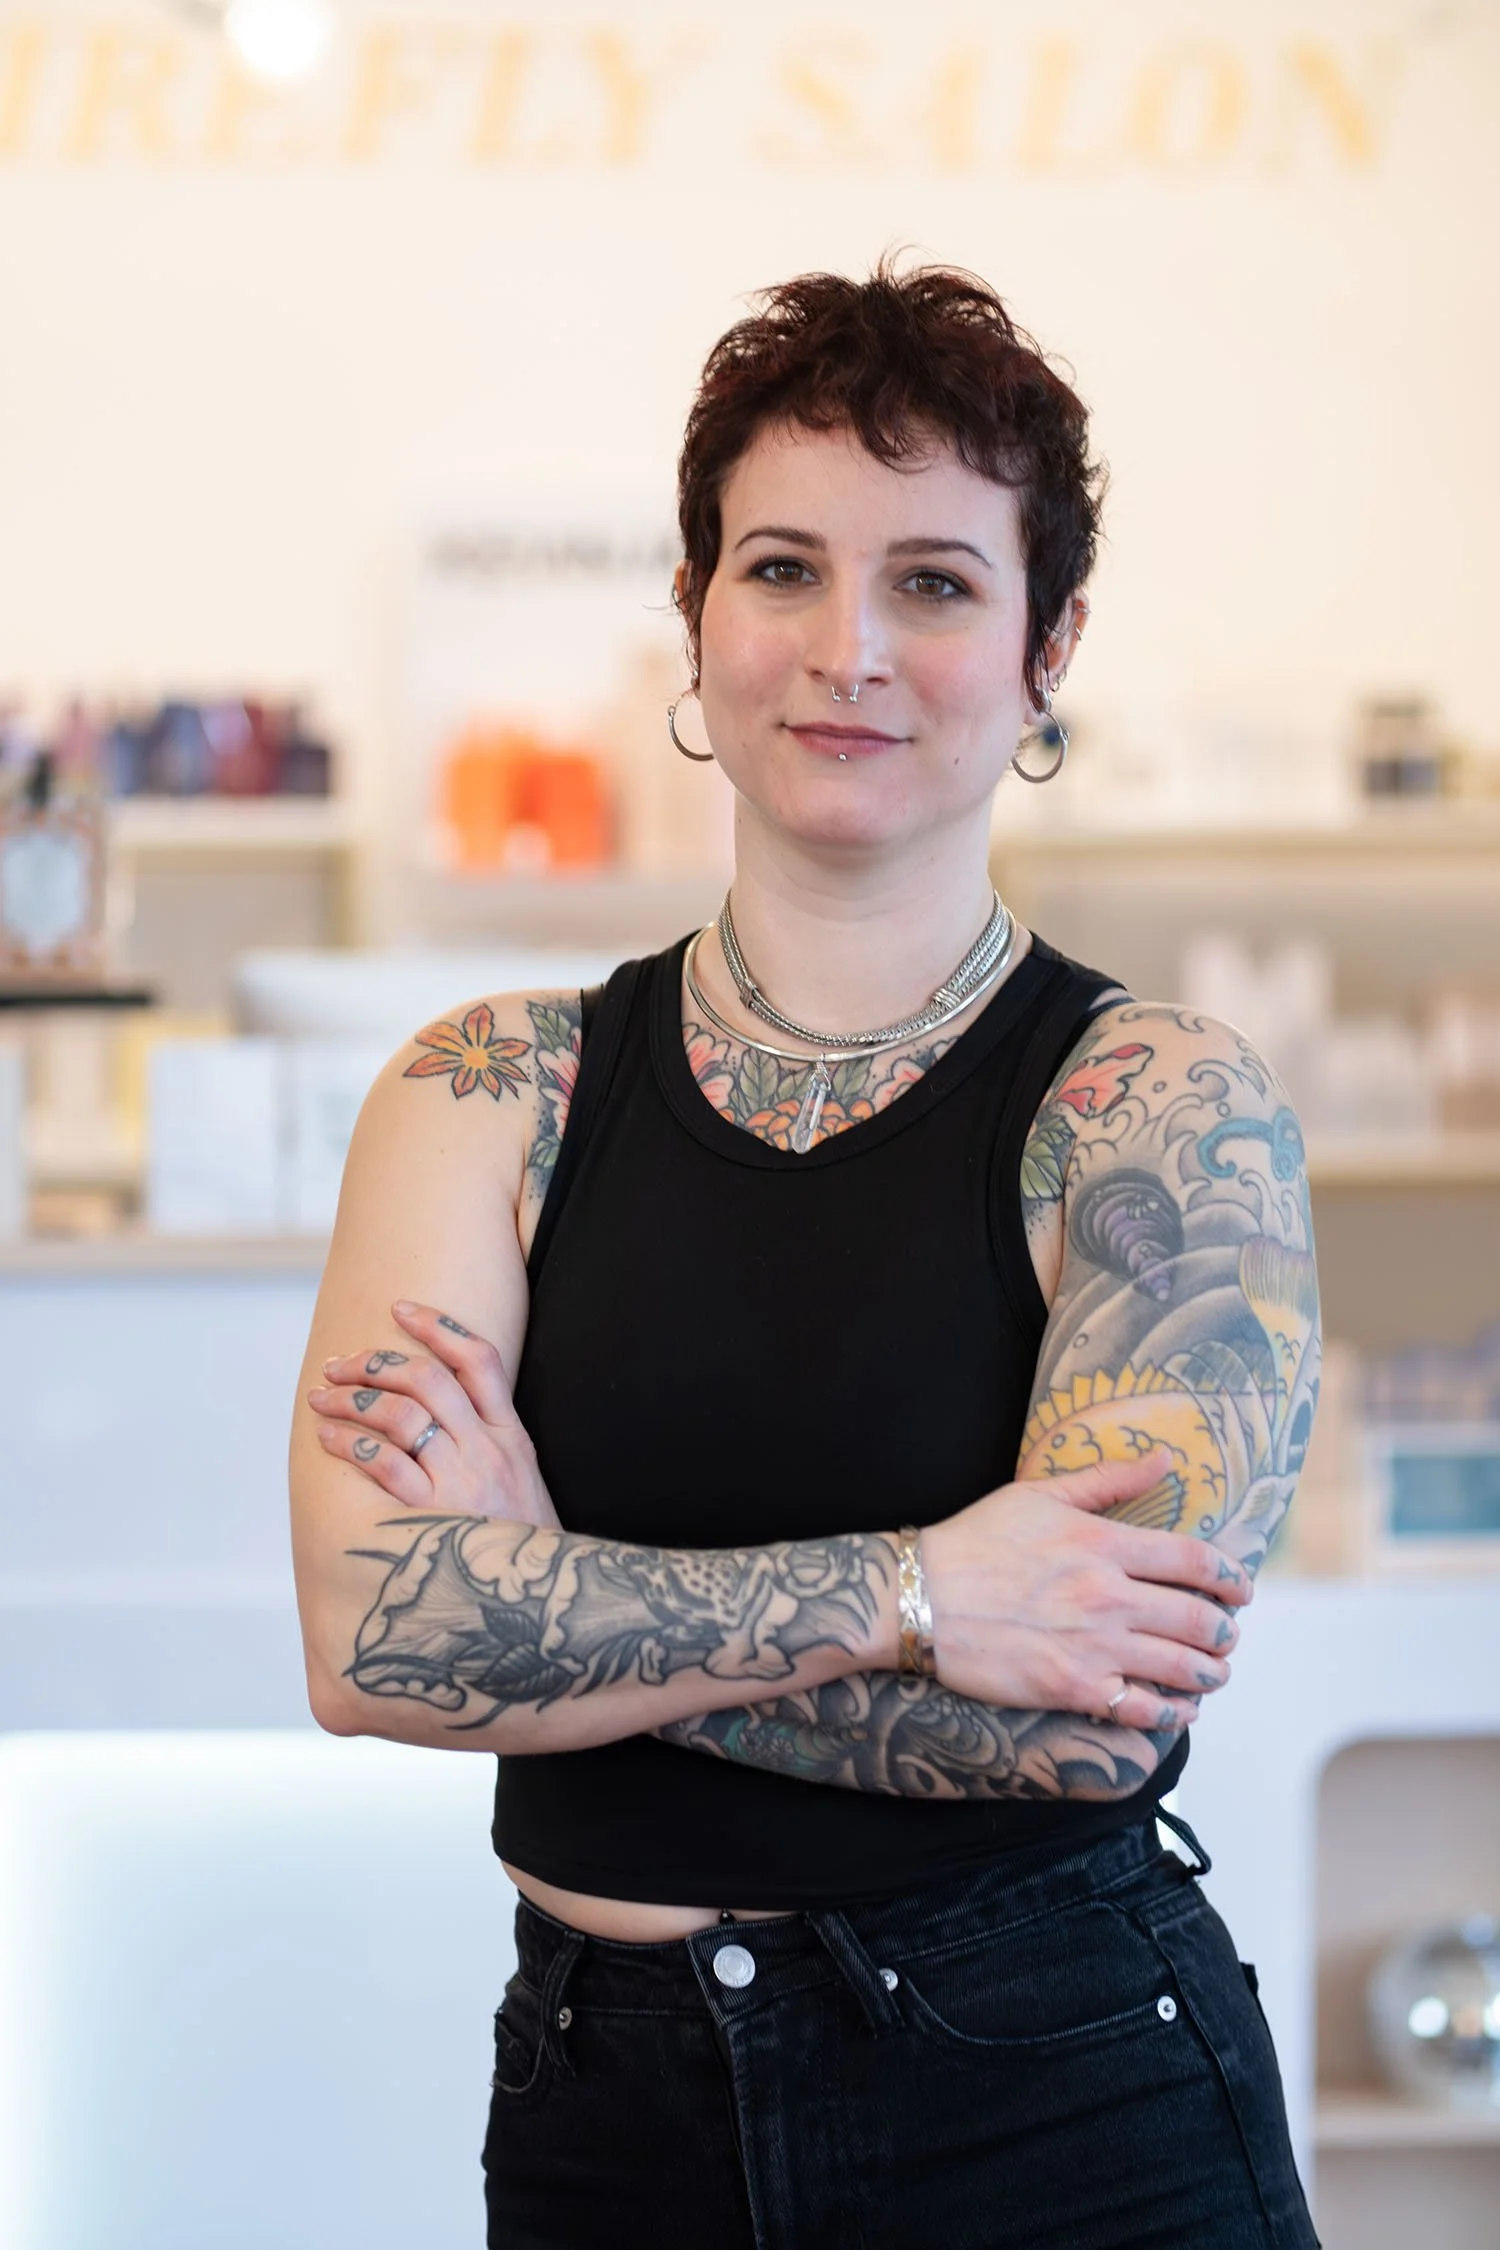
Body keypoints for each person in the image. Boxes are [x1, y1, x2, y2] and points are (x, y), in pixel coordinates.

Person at [290, 260, 1322, 2248]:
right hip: (606, 2107)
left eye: (935, 581)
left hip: (1053, 2094)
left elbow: (1083, 1721)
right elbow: (369, 1643)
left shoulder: (1156, 1107)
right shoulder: (491, 1089)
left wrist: (541, 1619)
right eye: (780, 570)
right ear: (694, 620)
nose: (848, 646)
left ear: (1050, 650)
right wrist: (928, 1590)